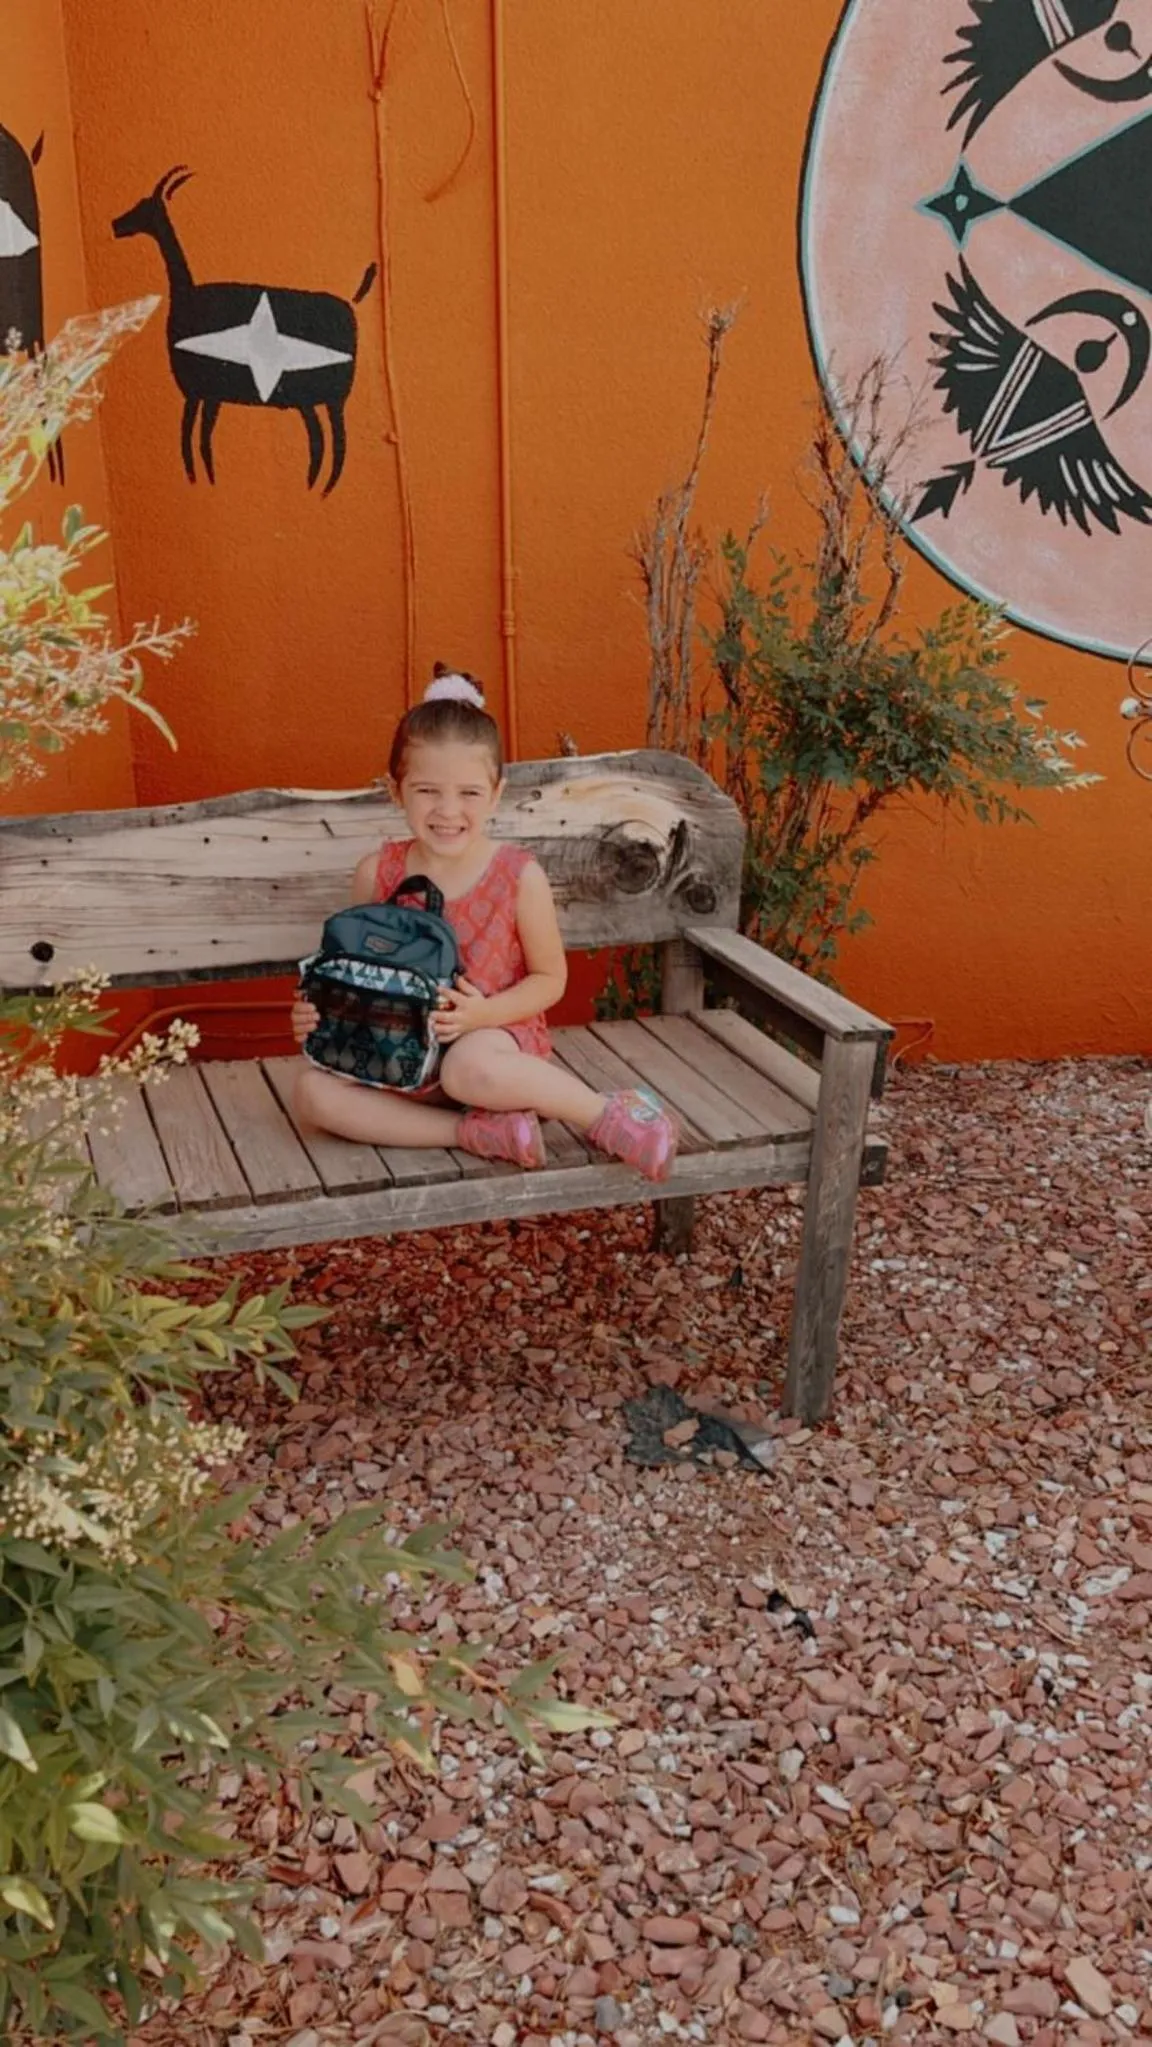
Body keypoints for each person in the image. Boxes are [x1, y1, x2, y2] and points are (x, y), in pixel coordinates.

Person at [291, 670, 679, 1178]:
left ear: (496, 794)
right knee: (310, 1094)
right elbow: (350, 972)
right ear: (396, 790)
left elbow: (549, 979)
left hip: (492, 1046)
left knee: (468, 1069)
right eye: (427, 790)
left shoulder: (518, 876)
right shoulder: (377, 873)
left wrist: (482, 1014)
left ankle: (606, 1112)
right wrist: (315, 1011)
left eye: (469, 793)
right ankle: (475, 1132)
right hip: (396, 1050)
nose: (448, 810)